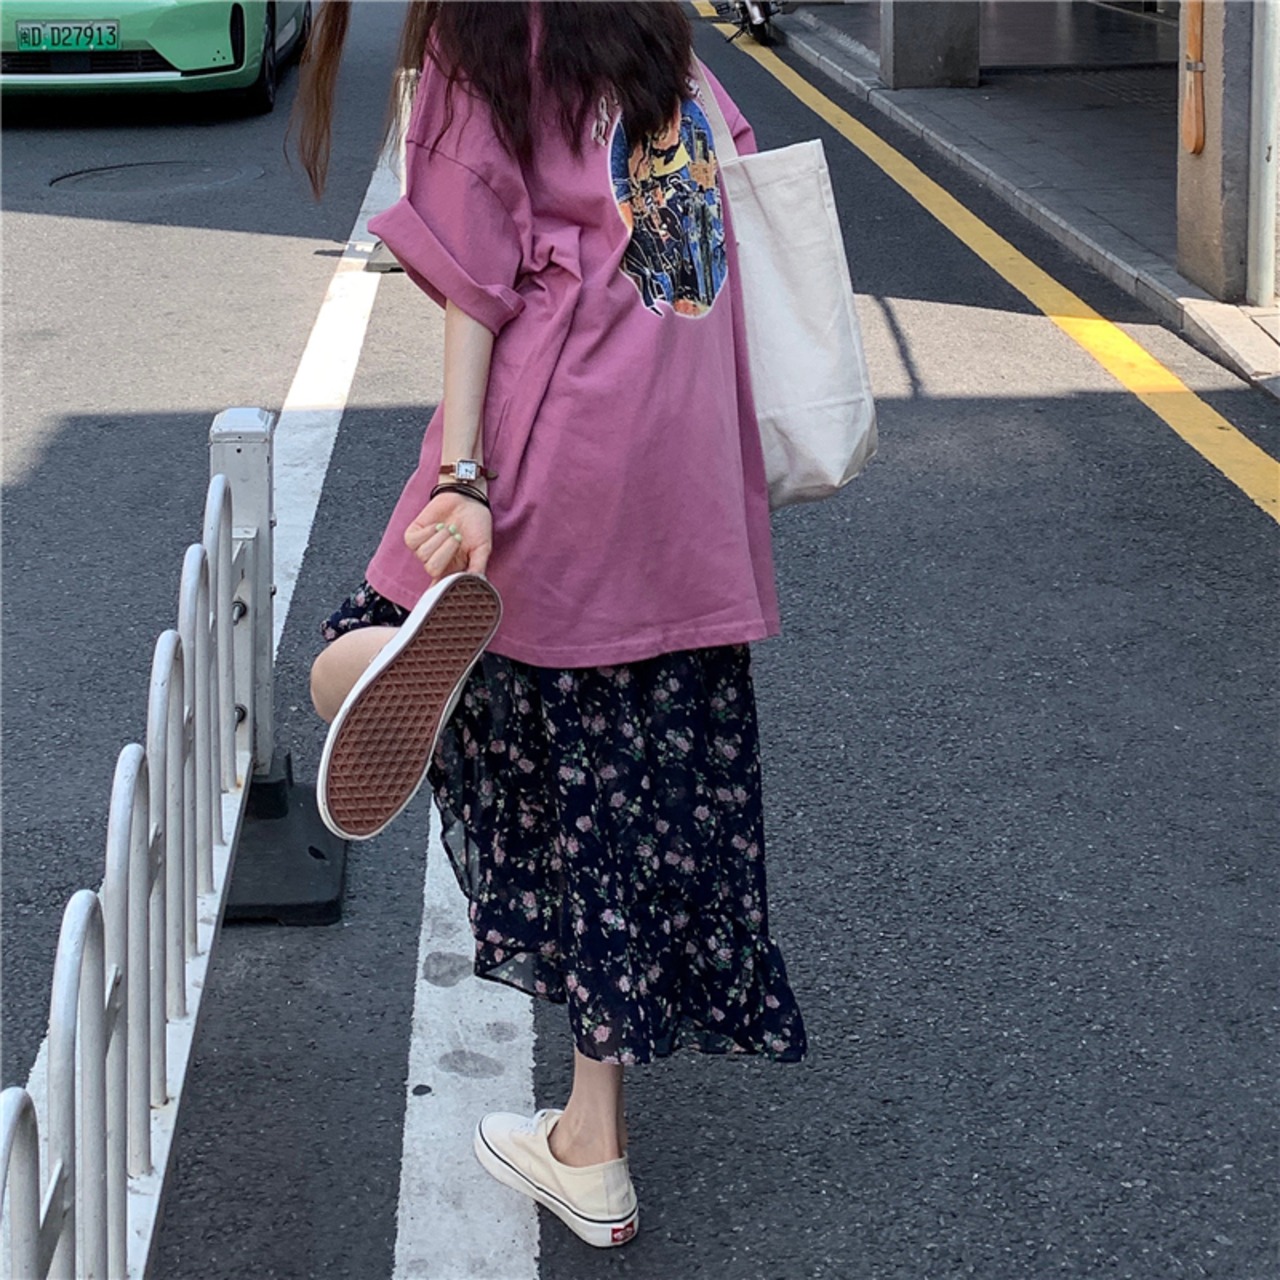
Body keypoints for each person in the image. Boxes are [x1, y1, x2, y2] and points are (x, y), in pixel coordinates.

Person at [295, 0, 806, 1249]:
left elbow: (475, 283)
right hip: (684, 466)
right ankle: (591, 1142)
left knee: (339, 665)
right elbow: (715, 197)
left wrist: (462, 477)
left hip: (559, 443)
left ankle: (427, 666)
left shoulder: (484, 34)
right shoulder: (651, 28)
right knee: (614, 795)